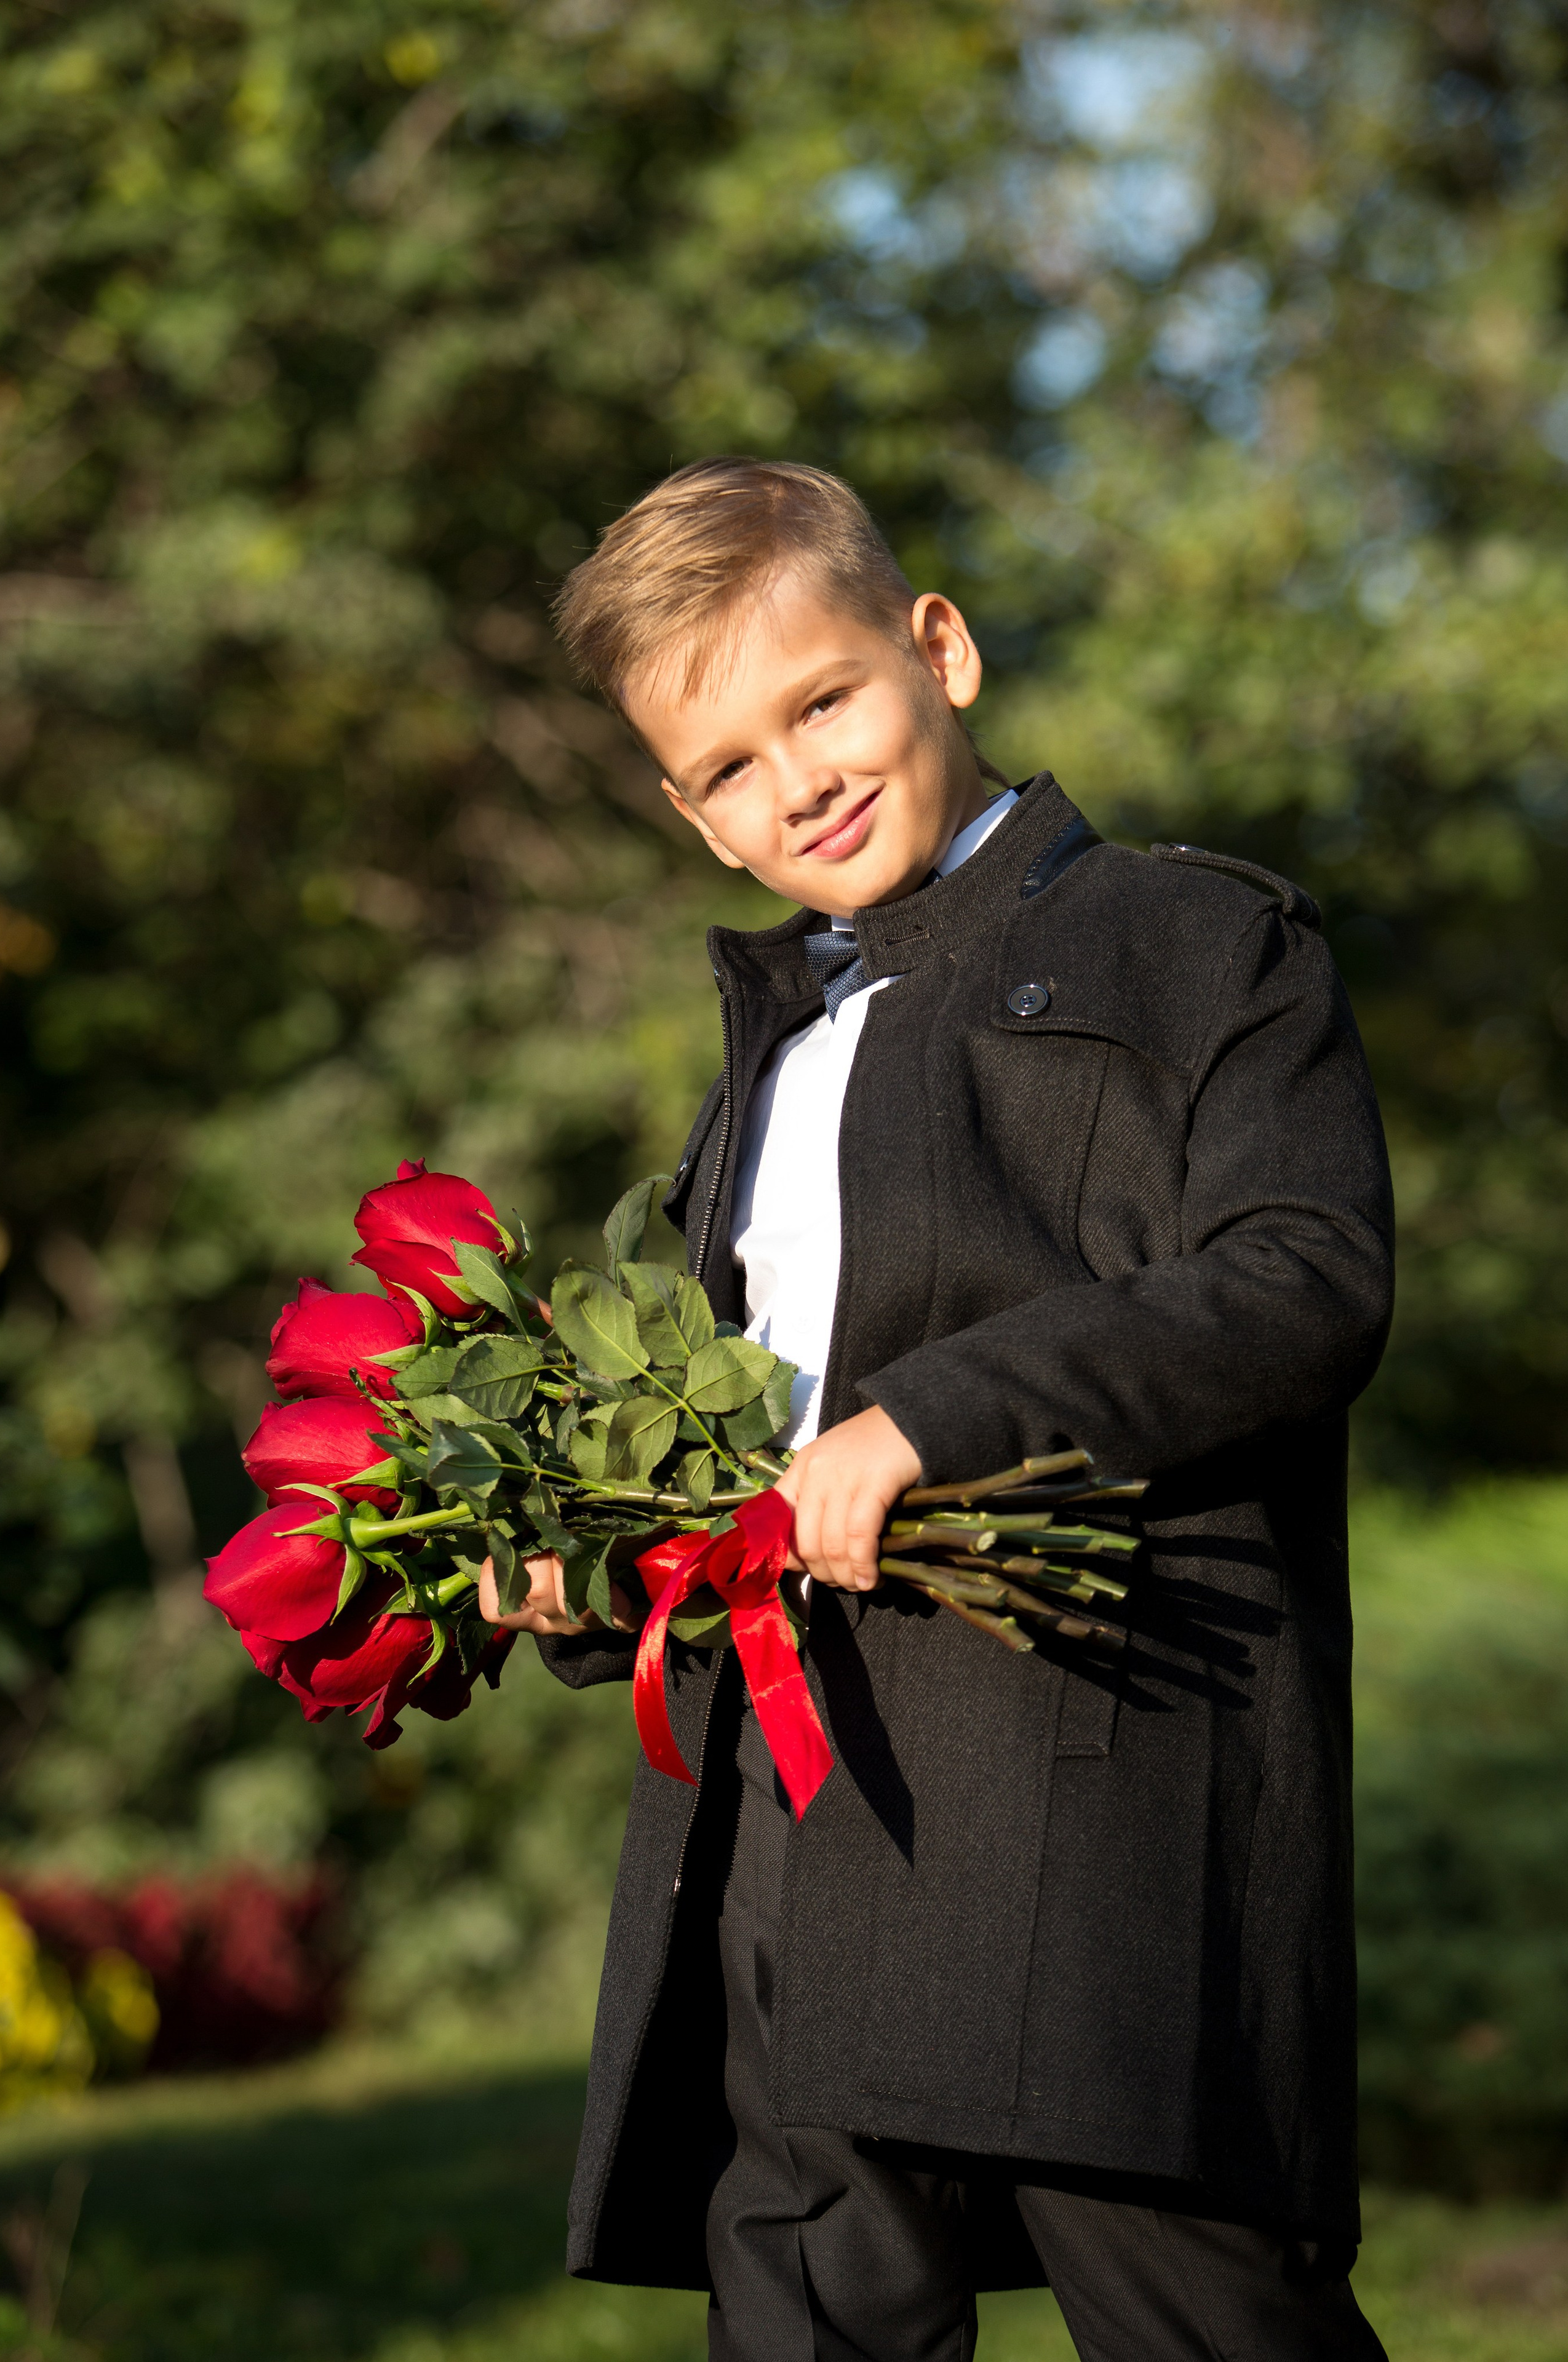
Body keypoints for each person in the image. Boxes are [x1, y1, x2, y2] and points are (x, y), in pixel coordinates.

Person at [480, 458, 1395, 2360]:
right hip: (794, 1814)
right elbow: (747, 1444)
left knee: (1201, 2321)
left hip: (1104, 1803)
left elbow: (1303, 1277)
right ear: (694, 819)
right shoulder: (766, 1068)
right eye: (731, 765)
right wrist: (593, 1569)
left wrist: (933, 1419)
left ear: (940, 650)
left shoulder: (1201, 944)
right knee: (810, 2315)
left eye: (821, 703)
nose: (797, 777)